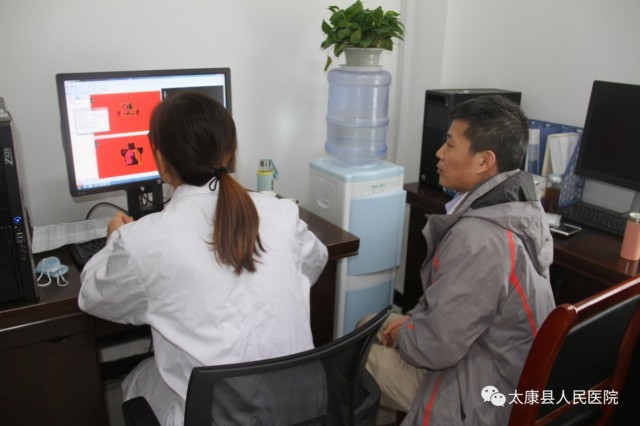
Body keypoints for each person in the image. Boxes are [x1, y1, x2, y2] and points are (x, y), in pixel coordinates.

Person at [78, 91, 328, 425]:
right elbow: (315, 262)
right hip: (301, 407)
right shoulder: (281, 213)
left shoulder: (143, 241)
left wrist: (114, 240)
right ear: (232, 153)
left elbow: (94, 298)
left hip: (222, 417)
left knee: (138, 377)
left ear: (161, 161)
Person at [365, 95, 555, 425]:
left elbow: (434, 348)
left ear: (484, 161)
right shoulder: (522, 209)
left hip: (483, 394)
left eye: (450, 144)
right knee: (367, 324)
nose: (439, 153)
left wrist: (404, 331)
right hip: (497, 363)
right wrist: (410, 324)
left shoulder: (478, 239)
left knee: (358, 356)